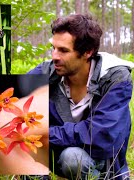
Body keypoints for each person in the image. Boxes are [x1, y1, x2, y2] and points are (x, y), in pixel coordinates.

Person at [28, 14, 134, 179]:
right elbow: (9, 95)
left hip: (100, 160)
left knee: (73, 159)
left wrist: (45, 133)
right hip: (58, 151)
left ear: (88, 52)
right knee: (25, 147)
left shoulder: (115, 78)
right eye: (53, 48)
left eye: (63, 50)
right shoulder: (48, 72)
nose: (54, 56)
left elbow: (100, 135)